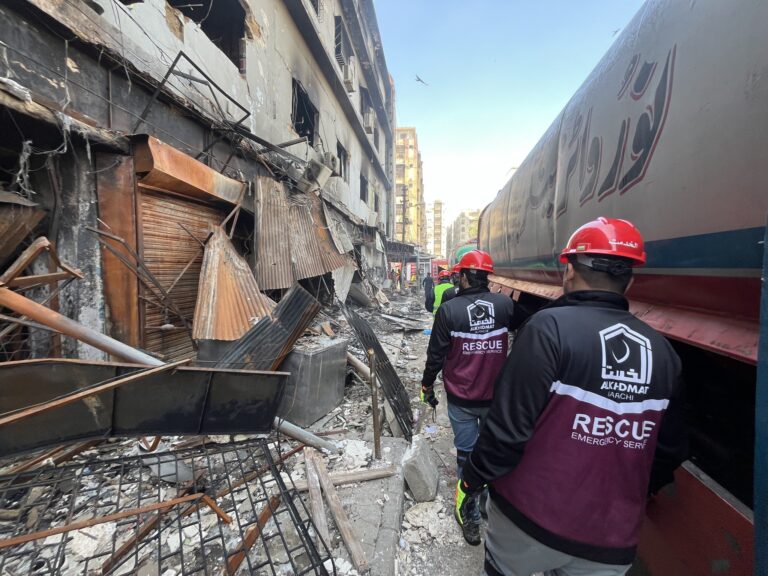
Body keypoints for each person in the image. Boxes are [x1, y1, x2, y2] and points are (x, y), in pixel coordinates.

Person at [457, 217, 687, 575]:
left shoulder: (547, 330)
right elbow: (670, 449)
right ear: (629, 281)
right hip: (610, 538)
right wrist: (628, 496)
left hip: (527, 519)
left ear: (568, 271)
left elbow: (506, 432)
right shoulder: (663, 354)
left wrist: (472, 478)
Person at [420, 249, 525, 545]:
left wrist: (427, 386)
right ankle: (486, 504)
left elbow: (435, 356)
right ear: (487, 277)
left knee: (467, 456)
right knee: (490, 453)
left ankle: (470, 516)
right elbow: (529, 327)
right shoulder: (504, 305)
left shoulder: (449, 311)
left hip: (461, 400)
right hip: (495, 399)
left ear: (464, 277)